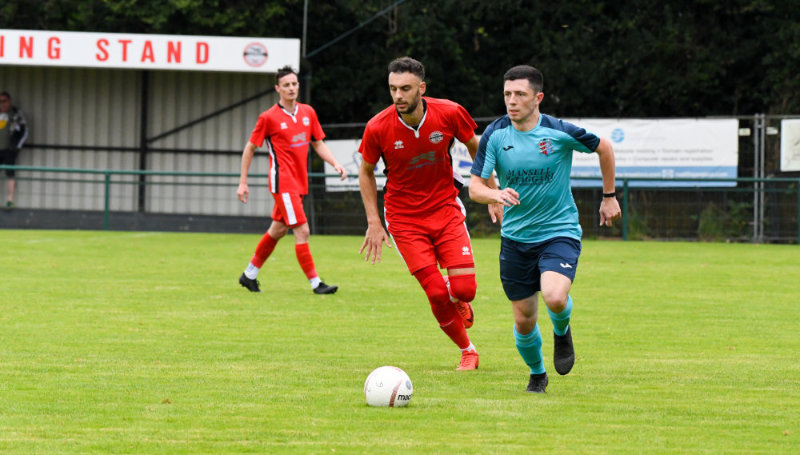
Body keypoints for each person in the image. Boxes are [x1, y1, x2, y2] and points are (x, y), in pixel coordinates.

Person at [469, 65, 622, 393]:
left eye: (520, 94)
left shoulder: (558, 131)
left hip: (558, 231)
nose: (512, 101)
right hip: (515, 239)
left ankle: (562, 330)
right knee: (524, 319)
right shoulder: (495, 135)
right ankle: (537, 373)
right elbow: (475, 187)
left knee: (554, 296)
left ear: (538, 98)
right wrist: (495, 194)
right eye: (507, 94)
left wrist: (609, 197)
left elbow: (605, 148)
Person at [358, 57, 501, 371]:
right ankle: (468, 350)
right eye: (393, 88)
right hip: (404, 219)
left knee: (465, 290)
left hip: (445, 209)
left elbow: (475, 146)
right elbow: (365, 172)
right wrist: (373, 221)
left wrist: (491, 191)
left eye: (405, 88)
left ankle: (455, 293)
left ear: (421, 88)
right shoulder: (377, 126)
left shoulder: (449, 112)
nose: (398, 96)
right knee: (435, 293)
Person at [237, 65, 347, 294]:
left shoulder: (308, 112)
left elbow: (318, 143)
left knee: (277, 230)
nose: (291, 88)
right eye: (286, 85)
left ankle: (249, 274)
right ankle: (316, 284)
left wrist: (335, 163)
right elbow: (250, 148)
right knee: (302, 231)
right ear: (277, 88)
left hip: (300, 182)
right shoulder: (268, 117)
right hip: (283, 182)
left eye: (294, 84)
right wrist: (243, 182)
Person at [0, 91, 28, 209]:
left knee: (10, 173)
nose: (2, 104)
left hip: (9, 149)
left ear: (9, 101)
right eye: (0, 102)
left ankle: (10, 200)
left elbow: (25, 131)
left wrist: (16, 146)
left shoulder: (16, 114)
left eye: (4, 101)